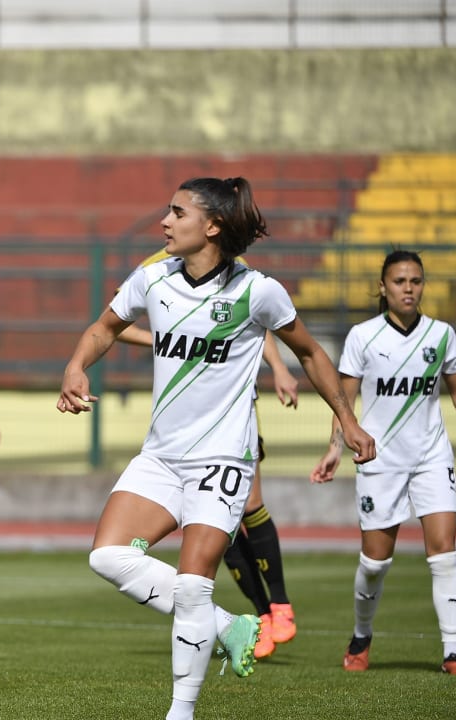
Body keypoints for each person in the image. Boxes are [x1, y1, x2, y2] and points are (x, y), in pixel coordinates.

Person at [59, 176, 376, 720]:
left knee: (190, 586)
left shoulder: (258, 291)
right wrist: (75, 367)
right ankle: (229, 624)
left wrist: (346, 420)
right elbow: (104, 328)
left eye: (176, 212)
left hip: (223, 462)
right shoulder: (152, 278)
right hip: (160, 456)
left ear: (212, 226)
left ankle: (179, 713)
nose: (164, 221)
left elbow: (311, 354)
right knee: (107, 556)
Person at [116, 258, 301, 660]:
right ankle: (261, 615)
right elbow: (114, 323)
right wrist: (163, 337)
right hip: (184, 421)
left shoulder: (240, 272)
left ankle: (280, 606)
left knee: (250, 504)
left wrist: (279, 368)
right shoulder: (156, 273)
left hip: (235, 412)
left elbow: (257, 322)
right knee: (218, 525)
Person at [310, 249, 456, 676]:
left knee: (444, 554)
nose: (409, 288)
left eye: (416, 281)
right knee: (375, 562)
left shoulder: (441, 335)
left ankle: (453, 652)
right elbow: (344, 400)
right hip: (378, 460)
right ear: (383, 288)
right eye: (400, 281)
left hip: (430, 456)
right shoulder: (363, 336)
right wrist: (334, 447)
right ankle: (362, 635)